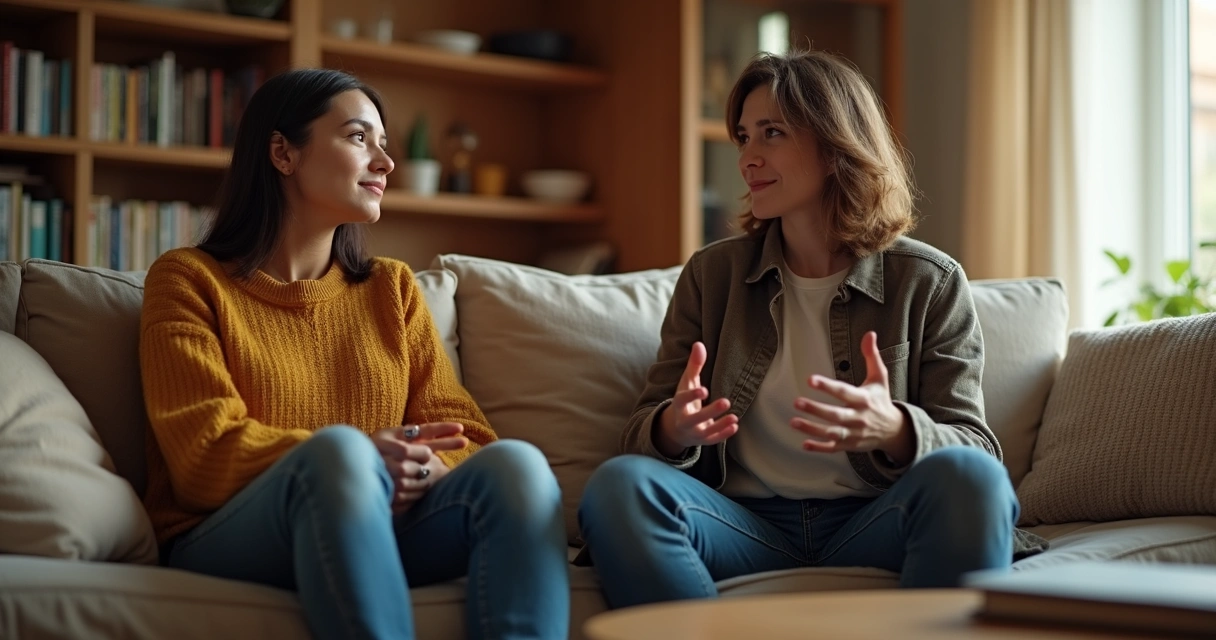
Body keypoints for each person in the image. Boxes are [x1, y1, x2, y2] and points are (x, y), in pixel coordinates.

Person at [578, 50, 1044, 609]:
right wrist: (673, 429)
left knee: (974, 482)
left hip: (876, 516)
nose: (748, 158)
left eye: (771, 133)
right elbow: (639, 435)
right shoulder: (712, 275)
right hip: (743, 523)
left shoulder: (929, 280)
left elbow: (978, 455)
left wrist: (895, 428)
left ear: (836, 145)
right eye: (744, 137)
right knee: (618, 488)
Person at [139, 68, 569, 639]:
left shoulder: (390, 289)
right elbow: (201, 457)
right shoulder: (188, 280)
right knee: (338, 453)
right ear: (283, 153)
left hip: (388, 525)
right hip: (227, 532)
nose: (386, 164)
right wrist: (362, 461)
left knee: (519, 467)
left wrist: (424, 466)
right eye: (359, 137)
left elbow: (469, 435)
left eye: (384, 145)